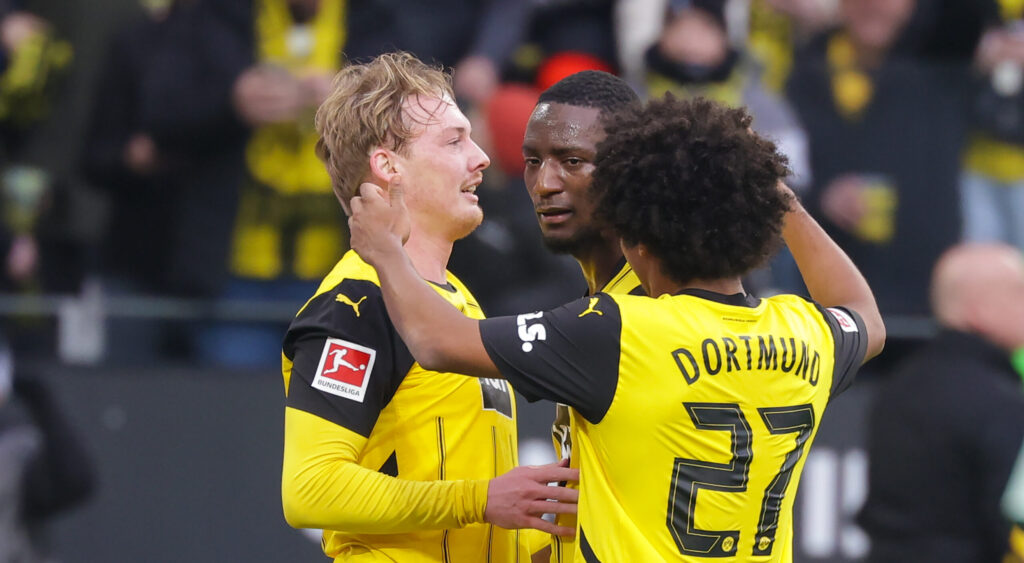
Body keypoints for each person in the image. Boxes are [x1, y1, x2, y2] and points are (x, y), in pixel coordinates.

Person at [347, 95, 885, 561]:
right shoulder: (803, 330)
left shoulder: (621, 331)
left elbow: (437, 342)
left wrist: (385, 251)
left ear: (639, 243)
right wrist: (778, 194)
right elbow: (864, 313)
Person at [280, 51, 576, 563]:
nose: (481, 157)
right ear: (388, 166)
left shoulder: (458, 300)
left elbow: (480, 517)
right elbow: (310, 487)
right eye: (454, 140)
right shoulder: (356, 301)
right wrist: (478, 500)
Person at [520, 69, 641, 562]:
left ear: (630, 170)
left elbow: (437, 341)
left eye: (573, 161)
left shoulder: (638, 313)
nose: (545, 184)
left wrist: (382, 247)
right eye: (532, 161)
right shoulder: (602, 299)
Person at [858, 243, 1024, 562]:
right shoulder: (999, 401)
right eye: (1018, 293)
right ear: (980, 308)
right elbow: (1008, 526)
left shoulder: (897, 387)